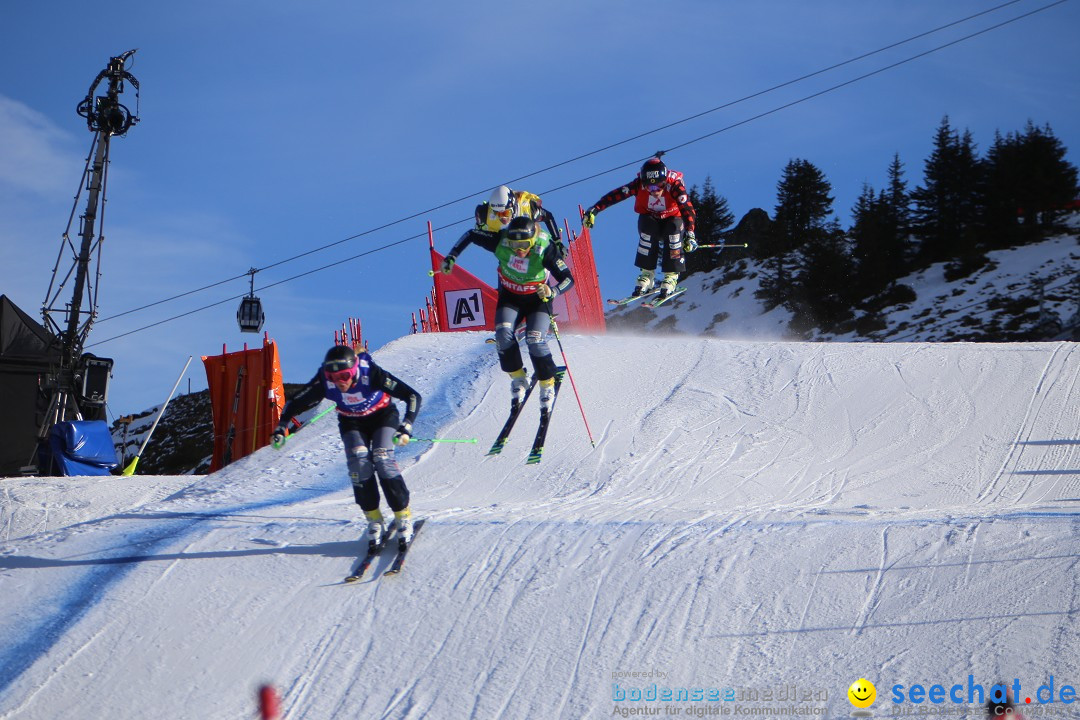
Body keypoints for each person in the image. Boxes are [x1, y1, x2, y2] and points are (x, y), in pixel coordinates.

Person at [270, 345, 421, 552]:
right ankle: (374, 519)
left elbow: (412, 396)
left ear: (355, 369)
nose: (340, 381)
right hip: (352, 422)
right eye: (334, 377)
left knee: (382, 458)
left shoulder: (370, 372)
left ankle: (403, 515)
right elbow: (296, 402)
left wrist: (406, 426)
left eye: (345, 375)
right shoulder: (324, 379)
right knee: (359, 464)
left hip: (382, 416)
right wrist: (280, 427)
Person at [441, 214, 574, 412]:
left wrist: (552, 291)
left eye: (524, 245)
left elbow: (568, 279)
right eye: (514, 245)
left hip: (537, 300)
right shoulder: (500, 242)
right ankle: (519, 378)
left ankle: (547, 383)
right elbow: (471, 234)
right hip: (511, 298)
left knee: (535, 339)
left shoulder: (544, 248)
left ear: (533, 240)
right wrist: (452, 256)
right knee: (503, 336)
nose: (519, 251)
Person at [582, 155, 698, 299]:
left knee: (673, 232)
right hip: (652, 221)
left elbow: (688, 209)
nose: (655, 191)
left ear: (665, 181)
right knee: (647, 229)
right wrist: (595, 209)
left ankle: (671, 275)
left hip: (673, 220)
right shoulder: (638, 185)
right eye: (650, 187)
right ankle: (647, 274)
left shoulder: (674, 185)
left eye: (659, 186)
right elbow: (617, 195)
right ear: (644, 183)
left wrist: (690, 233)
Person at [442, 186, 566, 276]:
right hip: (509, 242)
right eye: (498, 213)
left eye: (506, 213)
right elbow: (476, 234)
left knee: (538, 261)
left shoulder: (528, 207)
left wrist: (557, 241)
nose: (503, 218)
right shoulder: (484, 213)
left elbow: (548, 216)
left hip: (532, 241)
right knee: (506, 258)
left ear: (512, 206)